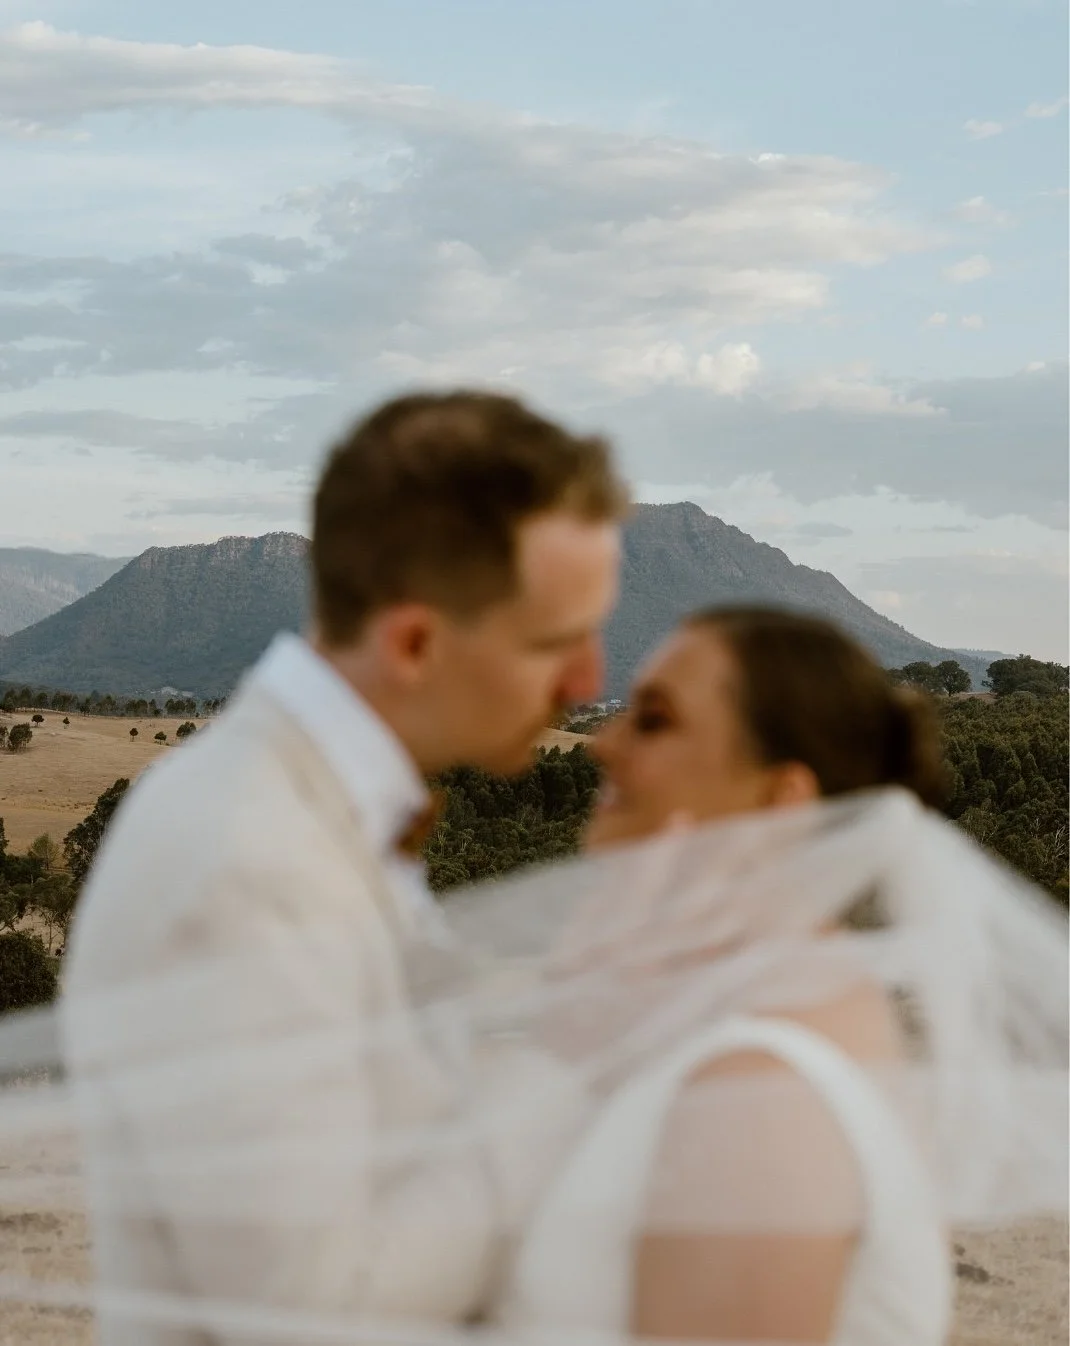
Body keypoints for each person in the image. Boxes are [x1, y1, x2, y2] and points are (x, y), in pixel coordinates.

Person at [59, 390, 627, 1344]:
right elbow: (308, 1307)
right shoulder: (248, 859)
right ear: (413, 642)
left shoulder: (313, 815)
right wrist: (559, 1079)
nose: (590, 682)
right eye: (554, 641)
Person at [490, 608, 1068, 1345]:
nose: (604, 743)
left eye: (656, 720)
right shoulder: (803, 1012)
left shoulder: (759, 1094)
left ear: (780, 801)